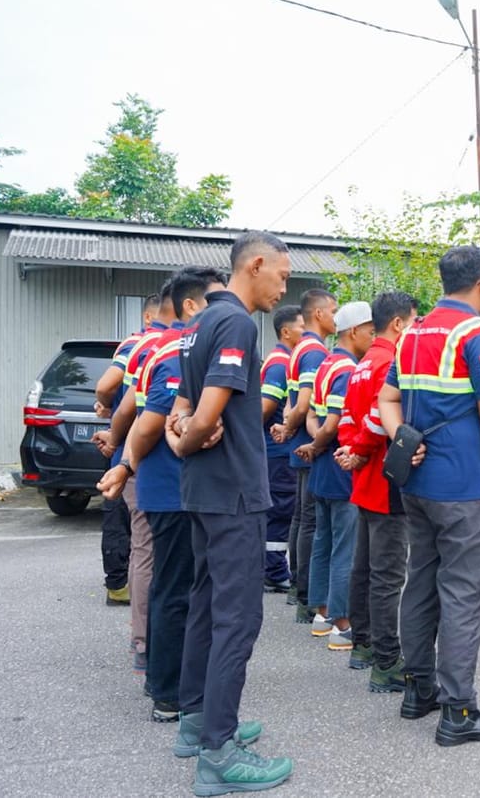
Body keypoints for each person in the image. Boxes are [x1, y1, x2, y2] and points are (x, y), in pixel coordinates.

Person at [165, 231, 294, 794]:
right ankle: (219, 751)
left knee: (205, 604)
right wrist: (190, 438)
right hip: (234, 492)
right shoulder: (237, 322)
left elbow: (180, 408)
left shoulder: (194, 325)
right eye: (283, 277)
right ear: (257, 265)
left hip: (202, 491)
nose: (282, 288)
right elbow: (205, 409)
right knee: (238, 617)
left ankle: (196, 721)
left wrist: (180, 437)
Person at [379, 245, 480, 747]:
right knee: (462, 593)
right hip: (462, 486)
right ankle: (458, 711)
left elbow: (387, 398)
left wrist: (400, 438)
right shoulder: (475, 333)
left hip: (417, 486)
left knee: (421, 583)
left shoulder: (412, 332)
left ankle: (419, 691)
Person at [98, 267, 227, 723]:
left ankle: (162, 678)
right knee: (177, 591)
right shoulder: (177, 355)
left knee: (173, 587)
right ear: (191, 305)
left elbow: (128, 409)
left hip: (170, 488)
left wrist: (122, 460)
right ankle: (170, 695)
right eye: (217, 301)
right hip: (172, 491)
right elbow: (149, 421)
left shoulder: (160, 349)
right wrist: (127, 462)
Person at [335, 290, 417, 688]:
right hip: (386, 480)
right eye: (414, 322)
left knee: (363, 568)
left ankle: (363, 645)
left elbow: (349, 418)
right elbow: (374, 418)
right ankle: (386, 663)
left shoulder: (363, 363)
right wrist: (363, 451)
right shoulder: (391, 361)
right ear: (398, 323)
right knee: (386, 575)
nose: (416, 330)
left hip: (365, 480)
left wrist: (351, 451)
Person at [100, 283, 176, 672]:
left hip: (133, 460)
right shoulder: (170, 349)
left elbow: (120, 406)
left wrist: (116, 443)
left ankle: (142, 639)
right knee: (159, 555)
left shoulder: (139, 349)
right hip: (158, 464)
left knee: (144, 550)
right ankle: (150, 643)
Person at [299, 301, 374, 651]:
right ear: (354, 332)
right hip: (341, 466)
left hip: (322, 469)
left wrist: (314, 445)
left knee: (323, 542)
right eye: (371, 331)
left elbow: (313, 416)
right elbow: (332, 423)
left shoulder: (326, 363)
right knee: (345, 546)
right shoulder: (347, 368)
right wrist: (321, 442)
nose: (373, 337)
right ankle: (342, 624)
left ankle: (322, 612)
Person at [271, 288, 335, 622]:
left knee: (300, 517)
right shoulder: (314, 352)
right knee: (309, 519)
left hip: (296, 442)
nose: (336, 317)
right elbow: (304, 402)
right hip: (307, 443)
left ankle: (300, 589)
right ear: (320, 314)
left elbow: (292, 401)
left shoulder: (300, 350)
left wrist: (285, 425)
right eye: (333, 310)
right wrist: (291, 424)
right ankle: (307, 594)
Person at [92, 292, 158, 607]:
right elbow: (106, 385)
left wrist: (108, 407)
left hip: (128, 439)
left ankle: (123, 583)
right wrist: (109, 405)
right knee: (125, 517)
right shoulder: (140, 344)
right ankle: (119, 584)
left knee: (128, 518)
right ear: (149, 317)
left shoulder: (136, 345)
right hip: (133, 441)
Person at [260, 306, 304, 594]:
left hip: (277, 451)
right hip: (277, 453)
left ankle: (272, 568)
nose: (307, 332)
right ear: (286, 331)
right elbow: (264, 409)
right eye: (302, 326)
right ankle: (274, 571)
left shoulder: (284, 360)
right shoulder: (280, 364)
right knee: (280, 513)